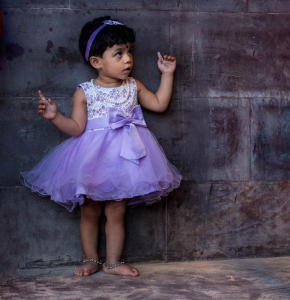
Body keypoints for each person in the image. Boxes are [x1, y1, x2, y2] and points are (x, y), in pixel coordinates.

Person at [20, 16, 182, 277]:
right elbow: (77, 128)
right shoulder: (85, 92)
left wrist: (167, 74)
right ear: (97, 62)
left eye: (129, 51)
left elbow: (159, 104)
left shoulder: (133, 86)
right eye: (118, 54)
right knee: (90, 211)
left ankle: (114, 262)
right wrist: (55, 117)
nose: (128, 59)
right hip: (92, 160)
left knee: (117, 211)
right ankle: (91, 259)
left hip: (125, 159)